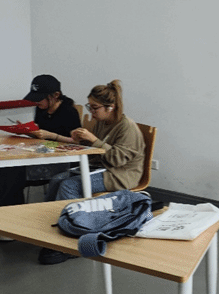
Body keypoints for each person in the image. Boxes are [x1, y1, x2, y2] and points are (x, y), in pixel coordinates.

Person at [40, 80, 145, 265]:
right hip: (102, 167)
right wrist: (81, 140)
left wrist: (94, 140)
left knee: (69, 185)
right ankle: (51, 228)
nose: (91, 112)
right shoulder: (102, 121)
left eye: (95, 108)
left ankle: (71, 240)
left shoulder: (127, 127)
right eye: (89, 106)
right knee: (57, 180)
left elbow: (117, 160)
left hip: (121, 174)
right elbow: (96, 150)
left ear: (110, 107)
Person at [0, 75, 81, 208]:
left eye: (40, 98)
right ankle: (5, 210)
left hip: (62, 160)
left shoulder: (69, 112)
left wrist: (52, 136)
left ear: (56, 95)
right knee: (5, 169)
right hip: (43, 153)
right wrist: (27, 132)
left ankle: (10, 210)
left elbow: (77, 143)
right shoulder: (41, 110)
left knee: (13, 172)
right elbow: (42, 137)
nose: (36, 102)